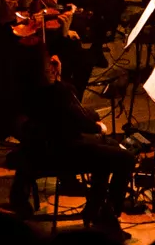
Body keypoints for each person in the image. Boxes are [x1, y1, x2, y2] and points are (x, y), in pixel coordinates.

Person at [9, 50, 137, 233]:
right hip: (64, 154)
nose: (52, 68)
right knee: (126, 158)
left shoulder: (24, 90)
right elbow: (80, 120)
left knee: (109, 147)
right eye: (48, 67)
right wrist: (99, 127)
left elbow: (69, 114)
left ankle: (96, 206)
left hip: (39, 151)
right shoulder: (58, 92)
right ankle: (107, 213)